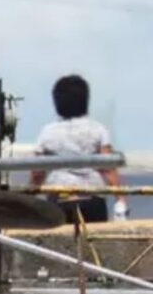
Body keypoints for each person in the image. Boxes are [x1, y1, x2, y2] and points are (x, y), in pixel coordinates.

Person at [30, 74, 128, 224]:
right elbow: (108, 169)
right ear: (85, 101)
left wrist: (28, 199)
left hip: (58, 199)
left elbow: (37, 173)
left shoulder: (47, 132)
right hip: (92, 198)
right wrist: (120, 200)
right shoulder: (98, 129)